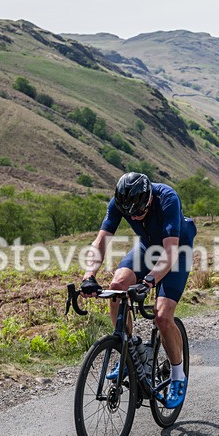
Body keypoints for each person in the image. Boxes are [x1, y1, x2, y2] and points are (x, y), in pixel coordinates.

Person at [79, 172, 197, 409]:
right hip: (146, 247)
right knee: (116, 287)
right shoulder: (119, 202)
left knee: (162, 315)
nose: (134, 216)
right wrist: (89, 276)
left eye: (139, 212)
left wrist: (150, 281)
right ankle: (130, 351)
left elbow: (170, 251)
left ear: (149, 199)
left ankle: (177, 376)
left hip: (175, 250)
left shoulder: (167, 198)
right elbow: (101, 241)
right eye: (130, 213)